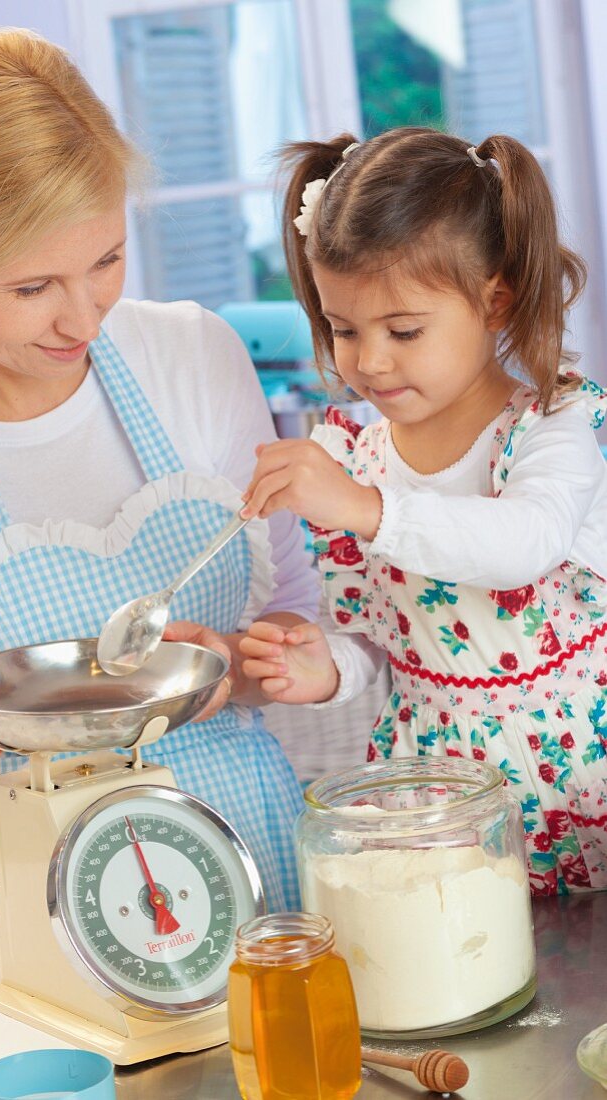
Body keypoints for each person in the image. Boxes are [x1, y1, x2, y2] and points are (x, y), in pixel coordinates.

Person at [0, 29, 320, 947]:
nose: (83, 315)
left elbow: (297, 625)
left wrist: (239, 661)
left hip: (233, 851)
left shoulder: (195, 354)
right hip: (1, 895)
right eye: (33, 285)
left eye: (107, 260)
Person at [239, 127, 607, 896]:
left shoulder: (554, 424)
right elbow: (379, 633)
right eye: (344, 329)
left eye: (403, 330)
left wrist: (365, 508)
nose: (369, 360)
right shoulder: (353, 457)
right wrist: (326, 666)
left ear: (494, 299)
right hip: (443, 801)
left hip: (583, 780)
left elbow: (523, 544)